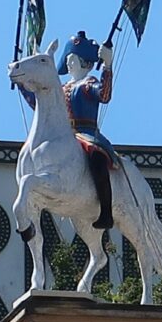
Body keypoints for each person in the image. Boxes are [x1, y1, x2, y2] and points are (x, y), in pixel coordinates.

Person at [23, 30, 117, 228]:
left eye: (72, 58)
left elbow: (104, 95)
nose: (68, 62)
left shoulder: (88, 84)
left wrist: (107, 66)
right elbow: (40, 105)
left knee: (97, 159)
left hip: (86, 133)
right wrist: (23, 84)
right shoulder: (61, 88)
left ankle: (106, 210)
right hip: (62, 134)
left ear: (85, 63)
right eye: (68, 59)